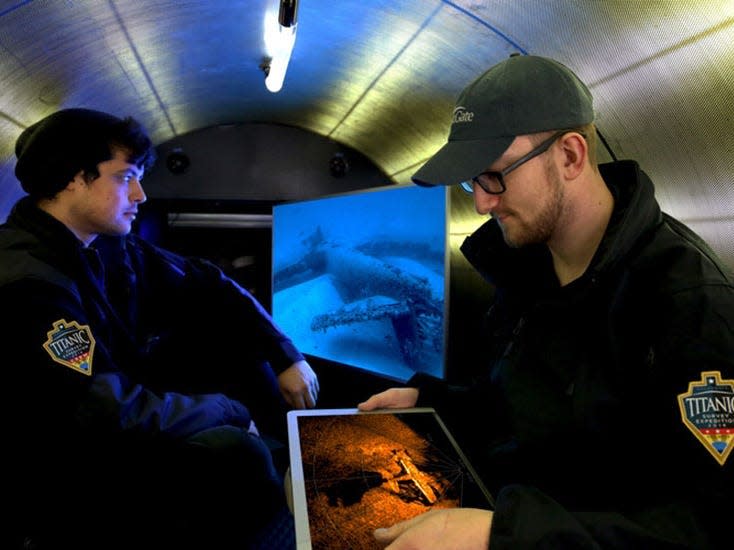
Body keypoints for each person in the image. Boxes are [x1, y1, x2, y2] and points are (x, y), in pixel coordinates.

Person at [358, 54, 734, 549]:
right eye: (474, 181)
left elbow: (709, 526)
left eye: (494, 175)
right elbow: (520, 409)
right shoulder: (527, 268)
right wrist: (435, 404)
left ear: (571, 156)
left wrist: (505, 536)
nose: (482, 203)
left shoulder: (687, 303)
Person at [0, 108, 319, 549]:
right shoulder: (29, 282)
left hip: (111, 420)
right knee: (233, 450)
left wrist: (286, 354)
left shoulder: (107, 247)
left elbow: (209, 282)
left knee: (238, 355)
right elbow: (103, 411)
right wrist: (228, 410)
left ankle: (290, 479)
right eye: (124, 177)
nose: (141, 194)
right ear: (74, 178)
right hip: (66, 471)